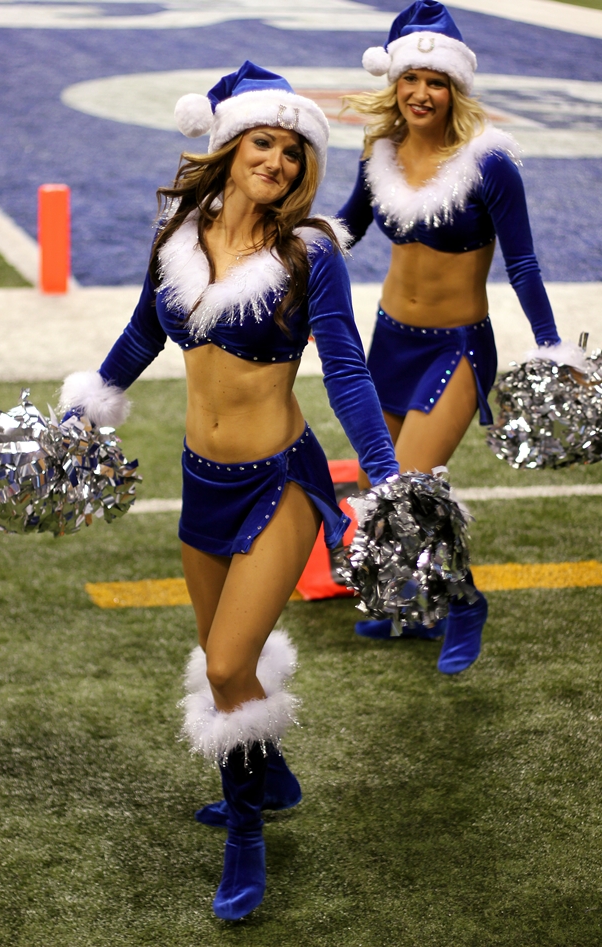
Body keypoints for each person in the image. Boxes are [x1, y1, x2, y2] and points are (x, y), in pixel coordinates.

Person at [59, 62, 399, 921]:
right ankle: (266, 774)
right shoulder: (179, 236)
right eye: (263, 142)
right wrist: (85, 413)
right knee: (227, 667)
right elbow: (141, 334)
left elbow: (348, 370)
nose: (278, 162)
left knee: (222, 663)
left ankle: (245, 835)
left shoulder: (308, 252)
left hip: (280, 480)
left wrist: (392, 476)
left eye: (292, 151)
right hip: (199, 484)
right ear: (228, 145)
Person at [336, 0, 568, 671]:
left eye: (435, 82)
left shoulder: (488, 163)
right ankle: (415, 606)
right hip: (389, 343)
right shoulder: (379, 151)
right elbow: (347, 229)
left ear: (454, 88)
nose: (421, 93)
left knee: (412, 487)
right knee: (385, 488)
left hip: (456, 348)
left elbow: (522, 262)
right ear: (396, 83)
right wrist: (287, 258)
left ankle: (464, 603)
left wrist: (552, 346)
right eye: (411, 79)